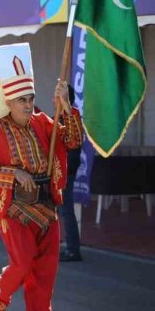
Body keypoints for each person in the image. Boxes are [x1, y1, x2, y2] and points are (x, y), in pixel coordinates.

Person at [0, 45, 83, 311]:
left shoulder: (43, 121)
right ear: (8, 101)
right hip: (15, 209)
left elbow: (73, 140)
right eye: (22, 99)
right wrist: (14, 174)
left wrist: (66, 106)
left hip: (47, 206)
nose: (28, 104)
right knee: (21, 264)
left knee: (45, 271)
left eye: (31, 98)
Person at [59, 86, 84, 263]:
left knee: (66, 211)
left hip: (66, 172)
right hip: (55, 173)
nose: (53, 99)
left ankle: (73, 249)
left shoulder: (72, 118)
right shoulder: (55, 119)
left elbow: (74, 142)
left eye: (57, 95)